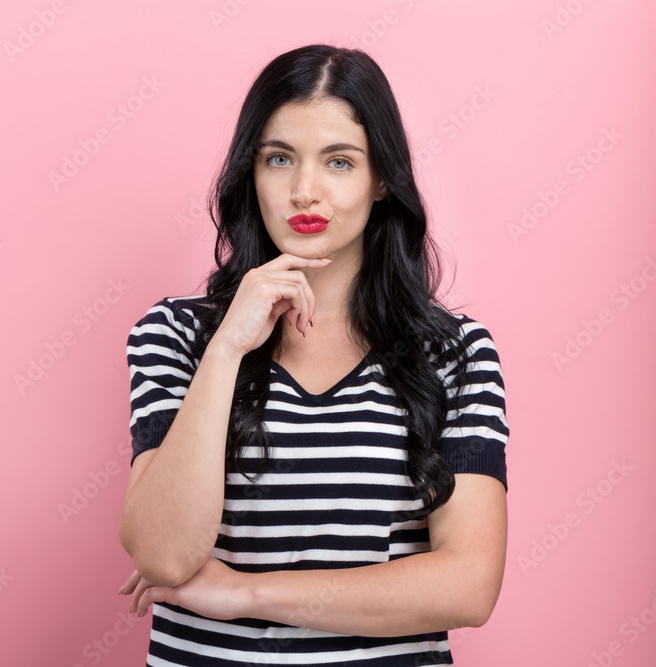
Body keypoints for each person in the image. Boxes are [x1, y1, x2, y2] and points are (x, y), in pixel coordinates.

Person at [116, 43, 509, 666]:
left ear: (382, 180)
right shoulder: (177, 335)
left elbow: (467, 586)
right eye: (279, 159)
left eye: (339, 161)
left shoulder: (453, 353)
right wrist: (226, 350)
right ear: (252, 172)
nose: (305, 191)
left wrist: (243, 593)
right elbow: (162, 555)